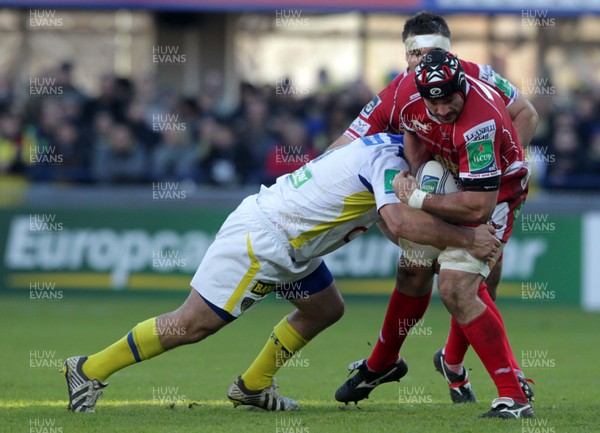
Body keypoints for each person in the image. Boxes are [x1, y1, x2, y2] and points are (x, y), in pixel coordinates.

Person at [62, 132, 500, 412]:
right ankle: (89, 368)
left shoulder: (386, 153)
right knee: (192, 324)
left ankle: (252, 386)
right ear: (410, 135)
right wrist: (466, 242)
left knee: (325, 308)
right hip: (265, 238)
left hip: (293, 243)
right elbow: (403, 223)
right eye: (424, 140)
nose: (431, 149)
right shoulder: (388, 162)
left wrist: (436, 252)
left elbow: (391, 225)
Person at [330, 11, 537, 405]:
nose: (424, 57)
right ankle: (383, 363)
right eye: (417, 52)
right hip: (438, 186)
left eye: (434, 51)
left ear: (450, 54)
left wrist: (491, 163)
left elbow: (527, 112)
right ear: (406, 56)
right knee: (414, 267)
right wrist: (300, 185)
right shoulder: (402, 92)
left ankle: (479, 374)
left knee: (467, 282)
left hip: (493, 193)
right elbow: (350, 142)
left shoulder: (478, 86)